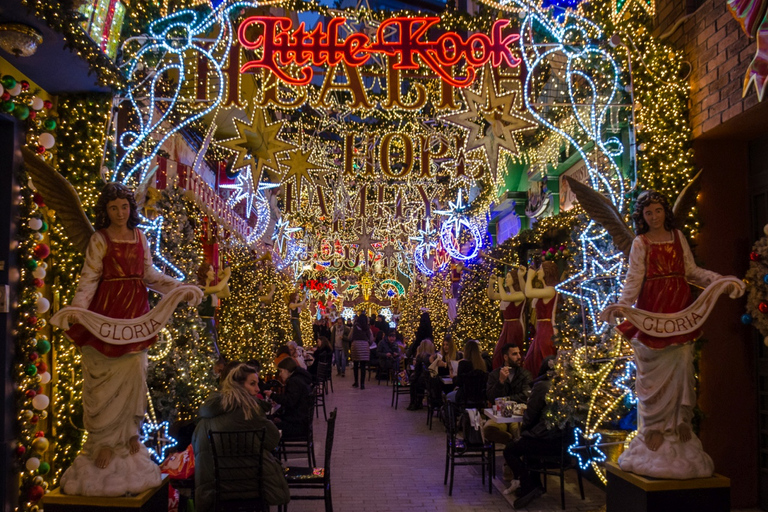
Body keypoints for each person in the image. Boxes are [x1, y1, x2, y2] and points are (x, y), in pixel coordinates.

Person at [59, 183, 199, 496]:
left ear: (130, 208)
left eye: (124, 206)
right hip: (107, 315)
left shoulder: (140, 238)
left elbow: (150, 276)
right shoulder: (100, 239)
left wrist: (179, 287)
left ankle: (128, 436)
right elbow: (89, 278)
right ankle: (103, 443)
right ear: (105, 211)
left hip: (136, 316)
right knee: (103, 380)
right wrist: (78, 310)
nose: (120, 213)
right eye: (113, 208)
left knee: (136, 373)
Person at [606, 190, 743, 470]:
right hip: (652, 311)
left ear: (665, 212)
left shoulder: (677, 236)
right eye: (648, 213)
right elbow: (634, 278)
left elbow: (691, 271)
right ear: (642, 217)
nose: (654, 217)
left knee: (682, 365)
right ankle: (653, 428)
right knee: (649, 373)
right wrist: (622, 304)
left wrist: (719, 280)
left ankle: (680, 421)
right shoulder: (640, 243)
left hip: (680, 310)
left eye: (657, 211)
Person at [193, 363, 289, 510]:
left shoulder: (207, 416)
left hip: (216, 491)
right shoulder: (250, 412)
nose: (258, 389)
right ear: (238, 386)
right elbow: (272, 440)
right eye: (252, 384)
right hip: (253, 488)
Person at [502, 356, 559, 509]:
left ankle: (528, 485)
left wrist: (525, 430)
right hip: (561, 442)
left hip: (544, 439)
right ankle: (537, 484)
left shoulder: (541, 386)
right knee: (526, 445)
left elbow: (530, 416)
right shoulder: (564, 386)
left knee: (510, 450)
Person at [484, 343, 533, 444]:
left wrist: (505, 401)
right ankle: (511, 442)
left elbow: (526, 395)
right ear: (506, 357)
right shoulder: (494, 374)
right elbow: (491, 397)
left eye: (519, 353)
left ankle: (514, 448)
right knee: (488, 429)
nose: (519, 357)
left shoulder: (525, 374)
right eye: (515, 354)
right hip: (499, 416)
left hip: (517, 415)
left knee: (520, 431)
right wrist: (500, 382)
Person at [522, 261, 560, 376]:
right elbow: (527, 292)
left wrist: (529, 277)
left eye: (541, 269)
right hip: (540, 331)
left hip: (547, 331)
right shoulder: (543, 291)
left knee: (542, 360)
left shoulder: (551, 290)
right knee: (531, 361)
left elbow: (528, 292)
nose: (538, 271)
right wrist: (522, 276)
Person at [264, 357, 313, 438]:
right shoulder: (299, 378)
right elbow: (292, 399)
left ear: (287, 370)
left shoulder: (294, 381)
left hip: (297, 426)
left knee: (268, 427)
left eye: (281, 371)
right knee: (271, 420)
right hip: (301, 421)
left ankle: (274, 449)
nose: (280, 374)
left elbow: (289, 401)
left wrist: (273, 395)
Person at [488, 267, 527, 370]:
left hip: (514, 326)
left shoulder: (520, 295)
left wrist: (500, 284)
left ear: (515, 279)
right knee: (499, 352)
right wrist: (491, 283)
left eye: (509, 277)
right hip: (507, 326)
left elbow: (505, 297)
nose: (506, 279)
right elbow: (492, 295)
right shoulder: (508, 294)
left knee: (511, 352)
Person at [197, 262, 231, 356]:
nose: (214, 273)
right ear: (205, 272)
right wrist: (227, 276)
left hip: (210, 324)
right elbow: (218, 288)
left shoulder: (211, 291)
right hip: (203, 324)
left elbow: (226, 293)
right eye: (211, 270)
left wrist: (222, 278)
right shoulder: (201, 289)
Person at [446, 340, 487, 405]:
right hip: (479, 397)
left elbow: (459, 382)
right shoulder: (482, 364)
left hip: (465, 396)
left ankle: (454, 414)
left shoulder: (463, 364)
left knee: (447, 397)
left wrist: (453, 377)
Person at [407, 338, 437, 410]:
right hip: (430, 381)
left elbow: (417, 371)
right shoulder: (433, 357)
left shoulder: (420, 357)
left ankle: (415, 402)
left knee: (415, 382)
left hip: (421, 381)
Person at [350, 313, 374, 389]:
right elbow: (371, 338)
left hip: (356, 345)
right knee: (363, 366)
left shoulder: (354, 327)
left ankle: (356, 382)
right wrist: (368, 343)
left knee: (356, 365)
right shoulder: (367, 328)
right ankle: (362, 384)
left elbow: (350, 337)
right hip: (364, 345)